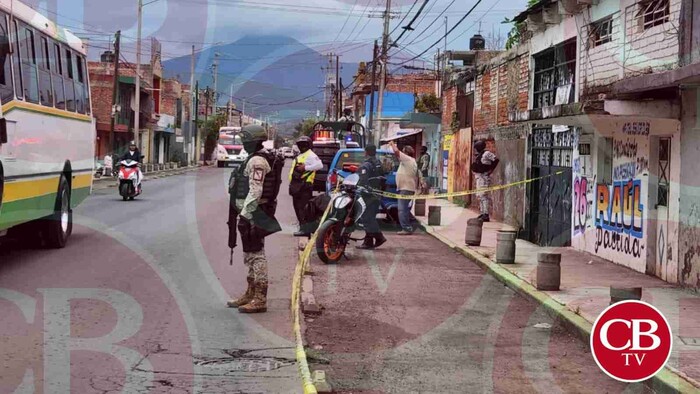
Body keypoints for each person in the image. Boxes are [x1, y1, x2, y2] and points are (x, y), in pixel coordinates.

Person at [227, 125, 282, 313]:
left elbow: (256, 191)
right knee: (250, 254)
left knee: (257, 255)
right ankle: (250, 294)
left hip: (254, 213)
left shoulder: (257, 161)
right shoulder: (254, 158)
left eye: (245, 140)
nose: (242, 143)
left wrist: (245, 214)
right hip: (251, 212)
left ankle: (260, 298)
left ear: (252, 141)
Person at [289, 136, 323, 236]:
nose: (302, 147)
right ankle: (303, 228)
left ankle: (305, 230)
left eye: (304, 145)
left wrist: (306, 167)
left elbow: (319, 165)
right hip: (297, 185)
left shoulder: (311, 155)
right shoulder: (301, 155)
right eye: (300, 145)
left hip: (305, 186)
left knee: (303, 208)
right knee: (297, 207)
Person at [356, 144, 387, 250]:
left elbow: (363, 181)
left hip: (367, 195)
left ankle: (379, 237)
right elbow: (383, 178)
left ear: (366, 152)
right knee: (370, 218)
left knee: (366, 218)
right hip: (377, 194)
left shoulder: (366, 165)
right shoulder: (378, 163)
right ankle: (368, 242)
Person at [388, 141, 421, 235]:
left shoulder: (407, 159)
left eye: (403, 152)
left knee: (402, 209)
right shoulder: (411, 161)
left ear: (406, 153)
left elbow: (397, 152)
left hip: (406, 188)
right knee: (405, 209)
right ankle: (412, 224)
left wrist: (392, 144)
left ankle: (406, 228)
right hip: (407, 188)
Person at [472, 140, 499, 222]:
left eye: (477, 148)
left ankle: (486, 214)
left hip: (484, 177)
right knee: (480, 196)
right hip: (479, 177)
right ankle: (482, 213)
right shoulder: (479, 155)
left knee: (483, 196)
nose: (476, 150)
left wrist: (491, 170)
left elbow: (495, 160)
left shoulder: (487, 153)